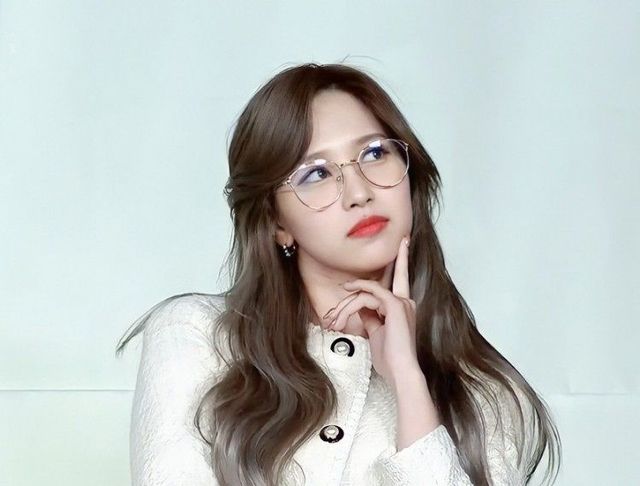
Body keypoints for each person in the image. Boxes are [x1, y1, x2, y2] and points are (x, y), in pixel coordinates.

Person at [115, 62, 561, 486]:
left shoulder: (490, 397)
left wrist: (408, 383)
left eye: (375, 153)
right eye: (316, 174)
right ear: (277, 223)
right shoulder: (198, 338)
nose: (359, 192)